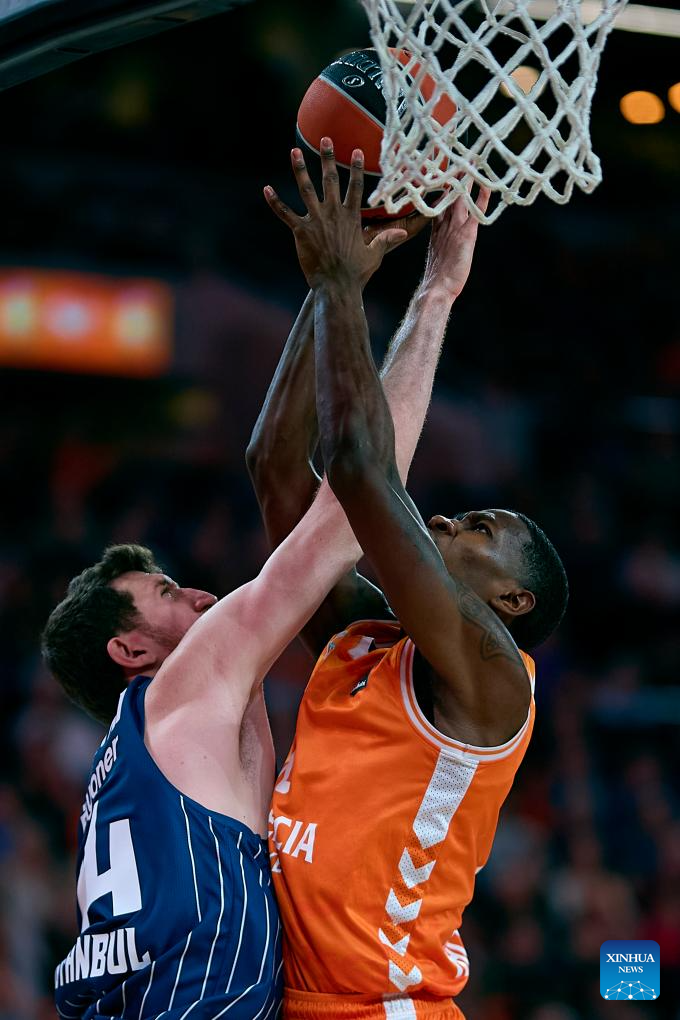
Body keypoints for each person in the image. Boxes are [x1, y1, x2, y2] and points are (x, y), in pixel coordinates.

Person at [40, 150, 464, 1020]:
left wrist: (331, 287)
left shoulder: (121, 774)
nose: (200, 596)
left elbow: (271, 461)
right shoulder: (181, 690)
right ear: (130, 650)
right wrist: (433, 290)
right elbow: (352, 510)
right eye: (166, 594)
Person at [258, 139, 569, 1019]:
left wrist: (400, 289)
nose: (441, 522)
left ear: (511, 603)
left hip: (388, 1006)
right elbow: (277, 471)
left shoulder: (494, 682)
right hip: (291, 998)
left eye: (479, 530)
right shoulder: (361, 636)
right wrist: (329, 277)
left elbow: (362, 470)